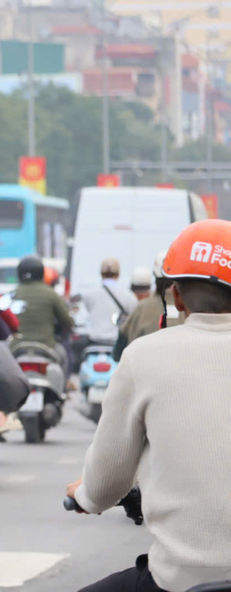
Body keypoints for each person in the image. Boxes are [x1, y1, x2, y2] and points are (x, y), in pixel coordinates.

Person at [67, 219, 231, 592]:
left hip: (180, 580)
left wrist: (84, 494)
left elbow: (106, 484)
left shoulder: (143, 356)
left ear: (176, 296)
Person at [113, 253, 185, 361]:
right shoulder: (190, 310)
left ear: (155, 278)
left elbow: (118, 352)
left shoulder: (142, 309)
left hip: (145, 374)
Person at [10, 256, 74, 363]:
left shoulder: (12, 295)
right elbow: (66, 321)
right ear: (41, 273)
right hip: (47, 346)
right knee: (63, 356)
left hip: (16, 347)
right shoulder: (52, 294)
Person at [82, 257, 138, 344]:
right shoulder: (128, 296)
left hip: (94, 342)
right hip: (116, 344)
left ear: (101, 274)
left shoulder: (89, 294)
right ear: (118, 274)